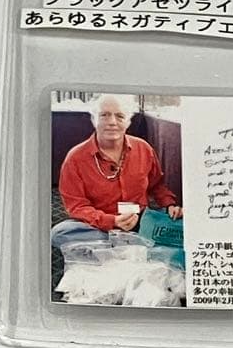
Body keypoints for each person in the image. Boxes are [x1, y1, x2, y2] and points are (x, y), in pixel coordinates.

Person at [52, 95, 183, 249]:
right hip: (99, 227)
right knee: (60, 233)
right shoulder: (75, 158)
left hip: (140, 220)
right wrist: (112, 221)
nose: (112, 122)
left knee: (184, 225)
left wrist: (169, 205)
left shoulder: (143, 148)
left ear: (128, 122)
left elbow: (157, 186)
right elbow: (77, 206)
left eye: (120, 116)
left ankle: (120, 246)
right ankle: (137, 244)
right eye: (104, 115)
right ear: (94, 120)